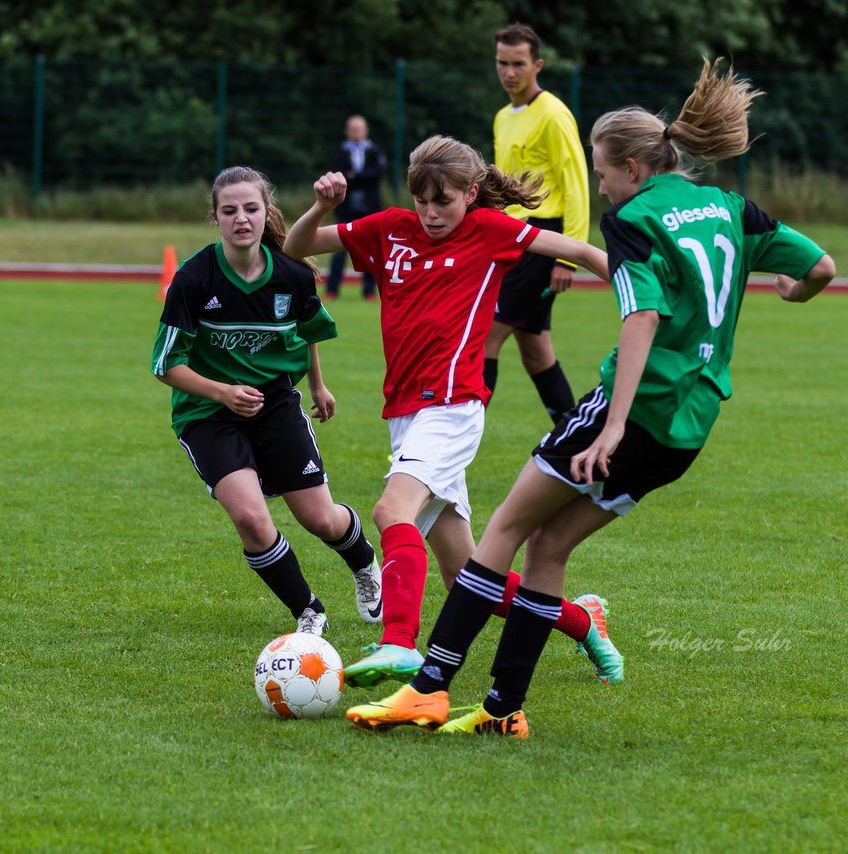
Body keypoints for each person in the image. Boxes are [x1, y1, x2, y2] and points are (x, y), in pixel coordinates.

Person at [346, 58, 837, 737]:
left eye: (602, 172)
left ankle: (427, 688)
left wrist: (609, 428)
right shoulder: (733, 210)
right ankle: (502, 710)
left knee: (503, 533)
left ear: (632, 169)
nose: (600, 186)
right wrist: (793, 291)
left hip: (631, 412)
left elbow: (641, 318)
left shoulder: (635, 219)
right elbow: (821, 267)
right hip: (688, 430)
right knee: (548, 549)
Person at [283, 135, 622, 690]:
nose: (432, 212)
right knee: (467, 578)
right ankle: (585, 622)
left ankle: (398, 642)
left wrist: (647, 294)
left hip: (454, 405)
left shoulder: (492, 231)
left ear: (471, 193)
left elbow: (581, 253)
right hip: (406, 415)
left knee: (393, 510)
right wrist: (321, 205)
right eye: (423, 200)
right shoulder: (389, 228)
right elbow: (299, 247)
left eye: (445, 200)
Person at [151, 166, 382, 638]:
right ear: (214, 218)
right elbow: (164, 364)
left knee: (321, 518)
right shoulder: (193, 280)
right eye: (229, 210)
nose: (241, 218)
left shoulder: (292, 276)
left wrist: (318, 385)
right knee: (252, 519)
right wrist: (223, 392)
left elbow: (310, 331)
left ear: (267, 213)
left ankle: (363, 563)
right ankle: (308, 611)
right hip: (208, 413)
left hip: (275, 403)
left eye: (251, 209)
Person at [484, 23, 590, 424]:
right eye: (502, 63)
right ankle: (573, 433)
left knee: (485, 340)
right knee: (534, 347)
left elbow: (576, 185)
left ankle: (447, 451)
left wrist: (569, 259)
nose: (509, 72)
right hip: (511, 241)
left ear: (537, 65)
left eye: (518, 64)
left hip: (543, 242)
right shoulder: (502, 117)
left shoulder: (554, 115)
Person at [324, 115, 387, 301]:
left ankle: (369, 291)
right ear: (347, 131)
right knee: (339, 250)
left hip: (370, 208)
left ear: (365, 131)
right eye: (353, 129)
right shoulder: (340, 152)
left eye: (359, 128)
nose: (356, 132)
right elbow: (338, 174)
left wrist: (353, 177)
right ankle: (332, 290)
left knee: (371, 250)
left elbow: (377, 175)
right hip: (346, 208)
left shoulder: (375, 151)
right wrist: (360, 177)